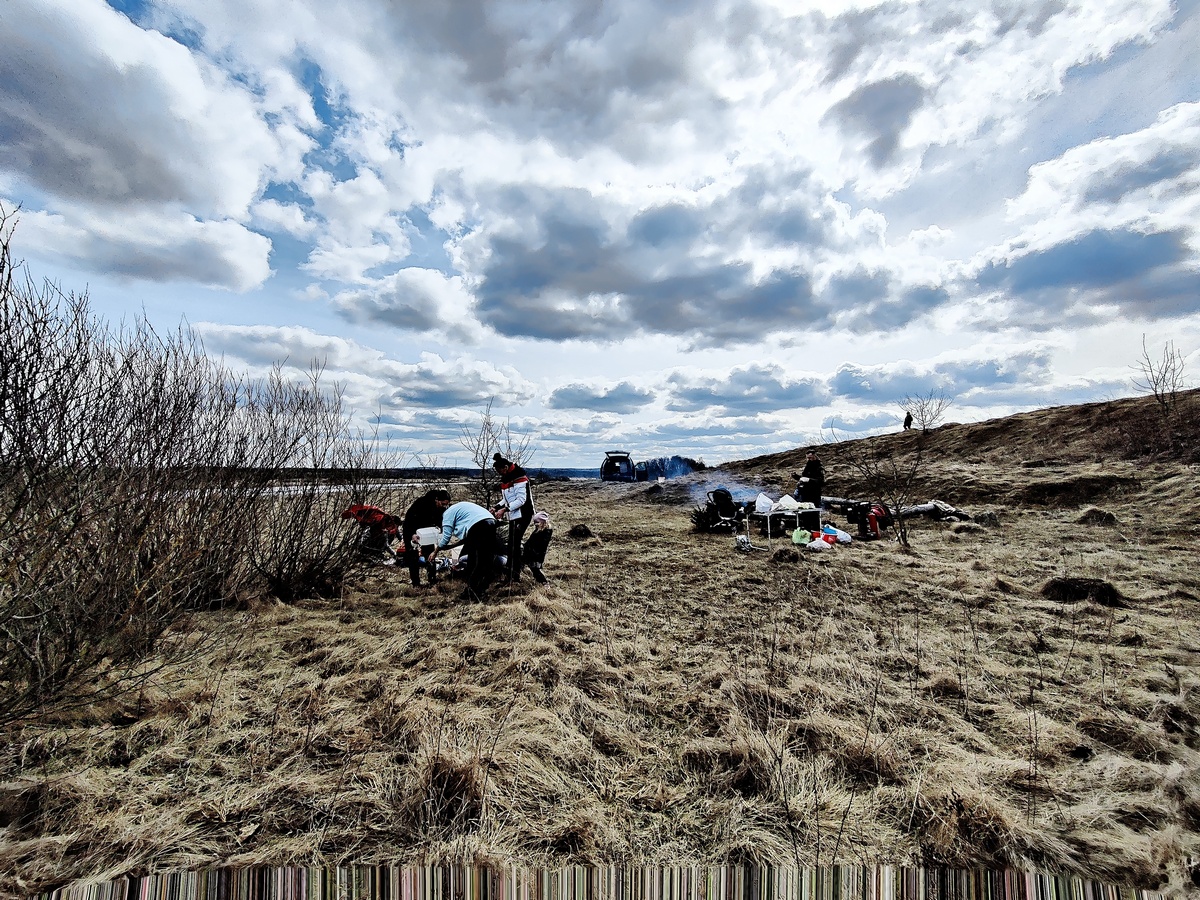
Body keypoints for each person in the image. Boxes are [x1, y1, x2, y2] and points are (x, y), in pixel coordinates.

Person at [429, 499, 497, 602]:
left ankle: (472, 592)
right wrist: (451, 546)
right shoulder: (459, 509)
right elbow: (468, 538)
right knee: (484, 560)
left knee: (476, 562)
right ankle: (480, 589)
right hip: (491, 521)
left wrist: (435, 552)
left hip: (479, 526)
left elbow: (446, 537)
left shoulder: (447, 515)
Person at [490, 453, 535, 583]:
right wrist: (496, 507)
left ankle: (514, 574)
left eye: (499, 471)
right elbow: (507, 499)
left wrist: (504, 509)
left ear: (505, 467)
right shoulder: (507, 478)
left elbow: (521, 500)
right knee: (511, 545)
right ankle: (511, 573)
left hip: (523, 515)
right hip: (514, 515)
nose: (499, 474)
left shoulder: (520, 478)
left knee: (514, 545)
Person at [401, 488, 450, 587]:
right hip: (411, 530)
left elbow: (440, 522)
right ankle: (416, 583)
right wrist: (412, 534)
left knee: (430, 555)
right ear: (437, 500)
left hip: (427, 532)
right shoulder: (421, 503)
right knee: (413, 557)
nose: (444, 506)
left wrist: (440, 530)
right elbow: (408, 521)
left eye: (446, 504)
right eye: (442, 504)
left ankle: (432, 580)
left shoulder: (441, 509)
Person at [521, 511, 553, 584]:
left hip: (536, 555)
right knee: (534, 569)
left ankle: (544, 583)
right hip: (531, 553)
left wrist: (531, 550)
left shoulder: (545, 532)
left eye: (537, 522)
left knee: (535, 570)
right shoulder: (538, 530)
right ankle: (540, 581)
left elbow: (540, 545)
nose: (535, 524)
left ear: (543, 522)